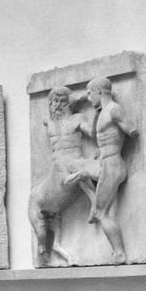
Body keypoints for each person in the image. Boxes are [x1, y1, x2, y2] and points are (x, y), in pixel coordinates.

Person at [28, 85, 98, 267]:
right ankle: (44, 248)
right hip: (58, 167)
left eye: (61, 101)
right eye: (54, 101)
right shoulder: (48, 122)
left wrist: (93, 105)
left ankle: (95, 201)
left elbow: (91, 132)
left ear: (69, 102)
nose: (57, 105)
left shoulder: (77, 119)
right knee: (69, 168)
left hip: (75, 158)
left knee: (79, 167)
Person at [82, 76, 135, 263]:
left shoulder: (113, 109)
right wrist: (100, 151)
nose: (88, 98)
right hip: (106, 162)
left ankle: (119, 253)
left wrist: (124, 129)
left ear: (99, 91)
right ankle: (93, 201)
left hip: (113, 164)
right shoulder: (103, 112)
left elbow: (131, 129)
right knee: (81, 174)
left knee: (101, 213)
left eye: (89, 93)